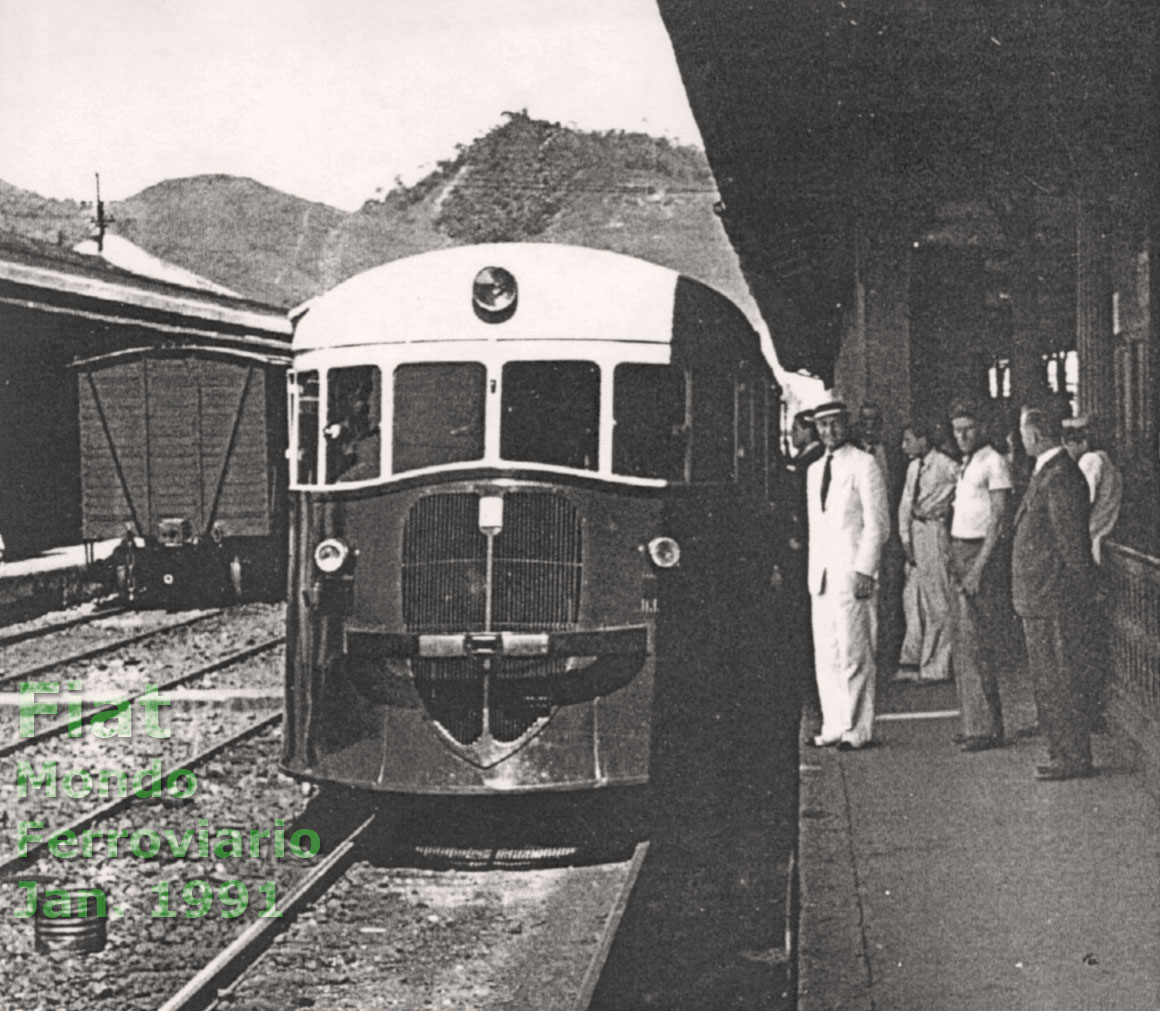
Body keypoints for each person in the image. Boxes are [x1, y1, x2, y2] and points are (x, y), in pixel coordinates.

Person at [1012, 406, 1097, 780]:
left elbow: (1071, 546)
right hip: (1042, 596)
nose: (1018, 440)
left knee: (1060, 679)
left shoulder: (1059, 475)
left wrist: (1081, 592)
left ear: (1034, 436)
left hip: (1054, 597)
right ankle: (1061, 751)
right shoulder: (1050, 471)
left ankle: (1072, 756)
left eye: (1022, 433)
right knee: (1050, 679)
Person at [805, 400, 889, 750]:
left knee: (855, 651)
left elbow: (877, 524)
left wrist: (865, 569)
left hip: (852, 571)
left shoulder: (864, 464)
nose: (828, 432)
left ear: (846, 424)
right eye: (822, 426)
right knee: (827, 652)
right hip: (822, 574)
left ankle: (858, 728)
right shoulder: (813, 470)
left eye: (834, 424)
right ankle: (835, 724)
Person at [948, 399, 1013, 752]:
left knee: (979, 643)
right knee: (963, 642)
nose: (961, 435)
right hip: (961, 551)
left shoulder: (994, 461)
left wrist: (978, 568)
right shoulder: (968, 462)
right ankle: (974, 723)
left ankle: (988, 728)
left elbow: (999, 521)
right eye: (957, 430)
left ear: (981, 428)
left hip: (979, 556)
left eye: (967, 429)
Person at [896, 420, 957, 683]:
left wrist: (947, 508)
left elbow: (965, 487)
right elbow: (905, 504)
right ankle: (912, 659)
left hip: (934, 532)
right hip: (916, 533)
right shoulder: (913, 468)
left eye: (908, 440)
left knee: (938, 602)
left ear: (923, 440)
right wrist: (906, 540)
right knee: (913, 599)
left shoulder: (945, 465)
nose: (903, 446)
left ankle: (936, 666)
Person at [1061, 415, 1122, 564]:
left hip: (1094, 533)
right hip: (1103, 530)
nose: (1067, 452)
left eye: (1068, 446)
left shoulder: (1090, 460)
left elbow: (1082, 502)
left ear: (1081, 442)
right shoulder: (1105, 459)